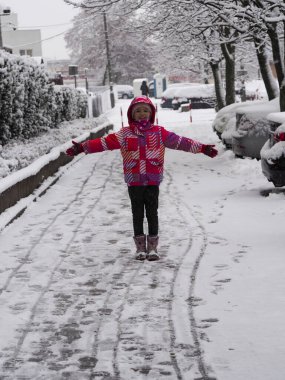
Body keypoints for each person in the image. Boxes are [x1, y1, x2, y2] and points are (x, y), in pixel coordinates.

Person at [66, 96, 218, 261]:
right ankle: (140, 247)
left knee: (152, 213)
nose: (142, 114)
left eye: (145, 110)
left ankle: (152, 247)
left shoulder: (159, 133)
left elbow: (181, 142)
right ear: (131, 114)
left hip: (152, 180)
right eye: (137, 111)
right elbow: (103, 143)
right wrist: (82, 147)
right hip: (134, 180)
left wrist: (202, 148)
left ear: (151, 113)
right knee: (137, 213)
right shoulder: (124, 134)